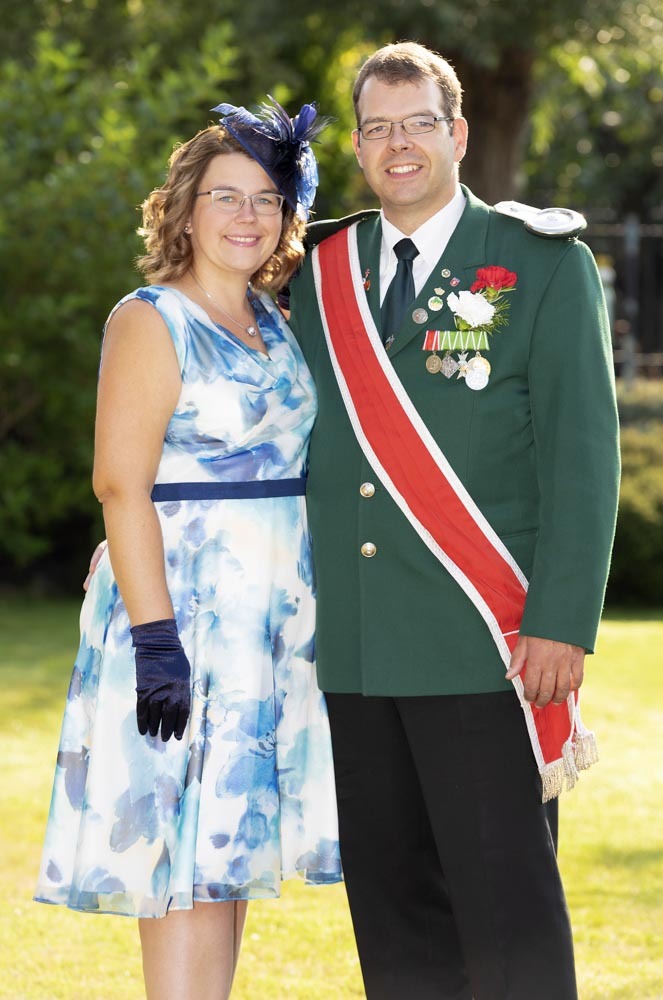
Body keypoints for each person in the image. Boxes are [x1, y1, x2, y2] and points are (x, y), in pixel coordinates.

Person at [287, 42, 620, 1000]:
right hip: (357, 650)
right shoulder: (315, 271)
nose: (399, 145)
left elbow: (581, 460)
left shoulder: (539, 265)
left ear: (458, 134)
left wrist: (561, 621)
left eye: (418, 124)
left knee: (507, 918)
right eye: (378, 128)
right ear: (357, 146)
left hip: (487, 643)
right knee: (395, 921)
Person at [34, 99, 341, 1000]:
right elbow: (120, 485)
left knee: (229, 860)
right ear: (184, 208)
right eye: (225, 196)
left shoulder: (277, 320)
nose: (248, 215)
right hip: (183, 617)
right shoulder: (150, 319)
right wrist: (156, 641)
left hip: (271, 627)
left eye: (267, 198)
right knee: (181, 860)